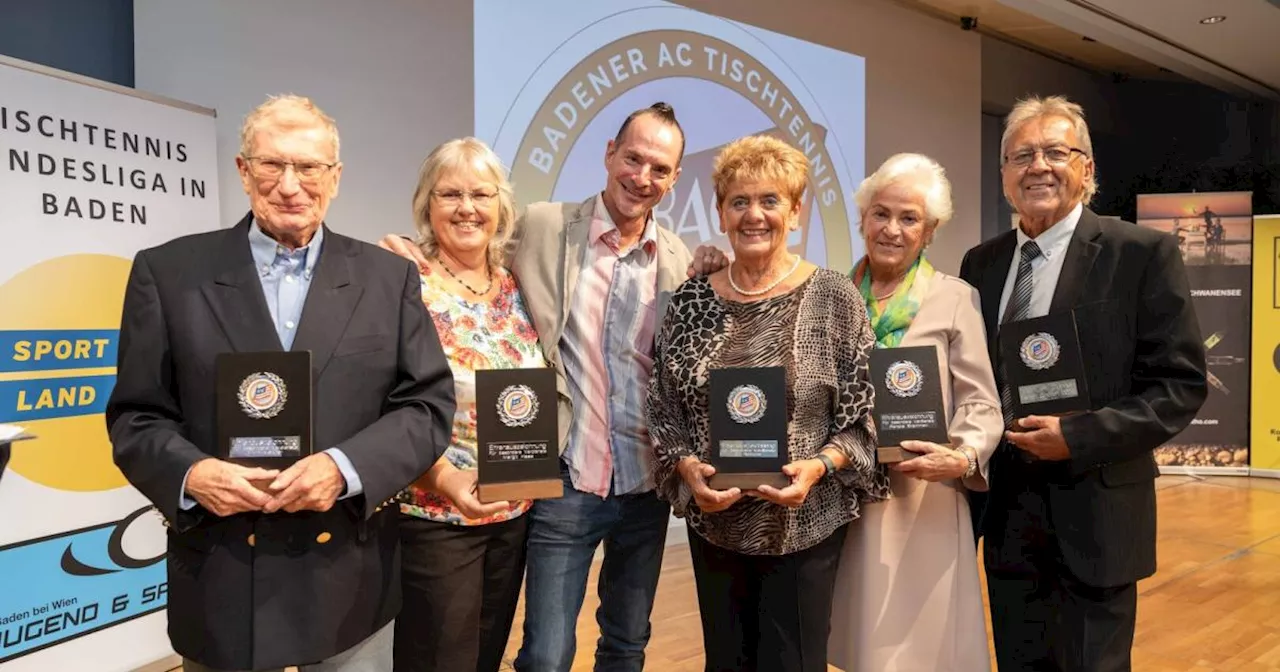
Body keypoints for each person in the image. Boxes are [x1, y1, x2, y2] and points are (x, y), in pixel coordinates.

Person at [106, 95, 456, 672]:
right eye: (272, 165)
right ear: (244, 171)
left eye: (310, 167)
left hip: (346, 575)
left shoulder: (388, 279)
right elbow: (136, 417)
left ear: (335, 178)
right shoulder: (167, 274)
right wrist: (191, 474)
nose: (290, 185)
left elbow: (426, 407)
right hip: (222, 571)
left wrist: (345, 469)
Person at [380, 102, 694, 672]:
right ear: (608, 153)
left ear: (674, 179)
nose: (642, 177)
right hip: (564, 478)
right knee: (546, 655)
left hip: (644, 485)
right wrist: (405, 252)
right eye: (632, 158)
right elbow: (463, 237)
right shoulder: (546, 225)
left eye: (659, 168)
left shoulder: (678, 258)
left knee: (627, 642)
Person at [959, 95, 1207, 671]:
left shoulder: (1141, 254)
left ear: (1087, 169)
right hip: (1009, 515)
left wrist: (1082, 435)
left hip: (1097, 514)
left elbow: (1179, 384)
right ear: (1003, 176)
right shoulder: (981, 264)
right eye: (1022, 155)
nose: (1038, 166)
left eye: (1055, 152)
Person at [647, 134, 888, 672]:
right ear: (721, 214)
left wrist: (821, 465)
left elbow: (863, 413)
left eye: (770, 200)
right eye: (739, 201)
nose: (754, 215)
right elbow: (663, 404)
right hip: (716, 524)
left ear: (796, 212)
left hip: (806, 524)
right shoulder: (690, 300)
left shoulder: (833, 296)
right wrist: (686, 467)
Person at [823, 153, 1002, 671]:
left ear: (930, 231)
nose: (892, 230)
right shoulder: (831, 296)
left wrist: (964, 456)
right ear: (862, 218)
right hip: (848, 498)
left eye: (909, 219)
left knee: (928, 649)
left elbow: (981, 401)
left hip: (926, 498)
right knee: (857, 644)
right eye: (881, 214)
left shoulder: (954, 298)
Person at [392, 137, 547, 672]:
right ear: (426, 205)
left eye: (480, 194)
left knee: (485, 655)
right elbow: (381, 401)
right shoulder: (403, 281)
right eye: (449, 194)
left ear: (500, 206)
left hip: (514, 506)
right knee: (438, 661)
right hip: (436, 513)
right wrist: (441, 480)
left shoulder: (516, 283)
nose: (466, 208)